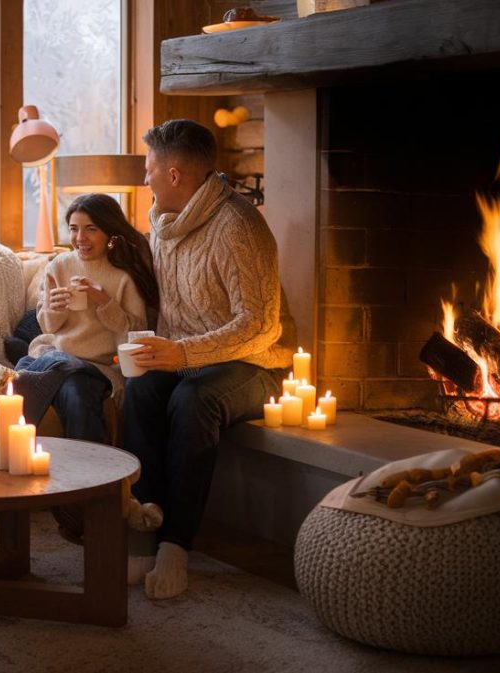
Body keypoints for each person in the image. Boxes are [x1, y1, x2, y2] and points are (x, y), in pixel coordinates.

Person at [125, 120, 294, 600]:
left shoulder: (239, 225)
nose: (145, 179)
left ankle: (176, 545)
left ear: (175, 175)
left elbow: (262, 326)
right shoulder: (161, 225)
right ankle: (142, 529)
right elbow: (166, 307)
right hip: (188, 355)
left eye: (149, 169)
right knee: (139, 389)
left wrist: (182, 353)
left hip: (259, 364)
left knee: (192, 400)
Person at [20, 193, 158, 443]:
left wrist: (104, 301)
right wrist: (55, 308)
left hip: (100, 367)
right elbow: (48, 326)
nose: (80, 238)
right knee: (63, 383)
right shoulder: (59, 266)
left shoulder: (123, 275)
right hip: (59, 357)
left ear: (108, 231)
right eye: (74, 229)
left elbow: (133, 336)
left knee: (75, 393)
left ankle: (90, 476)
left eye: (90, 229)